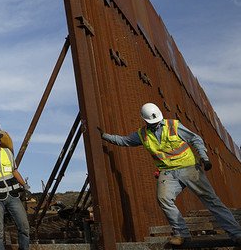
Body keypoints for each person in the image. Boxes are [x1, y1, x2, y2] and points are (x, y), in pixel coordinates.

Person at [98, 102, 241, 246]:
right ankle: (182, 234)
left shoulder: (173, 125)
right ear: (144, 119)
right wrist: (105, 136)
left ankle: (237, 234)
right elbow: (124, 141)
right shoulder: (142, 134)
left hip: (189, 168)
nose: (155, 124)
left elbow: (195, 138)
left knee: (212, 201)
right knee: (164, 199)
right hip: (168, 173)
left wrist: (204, 157)